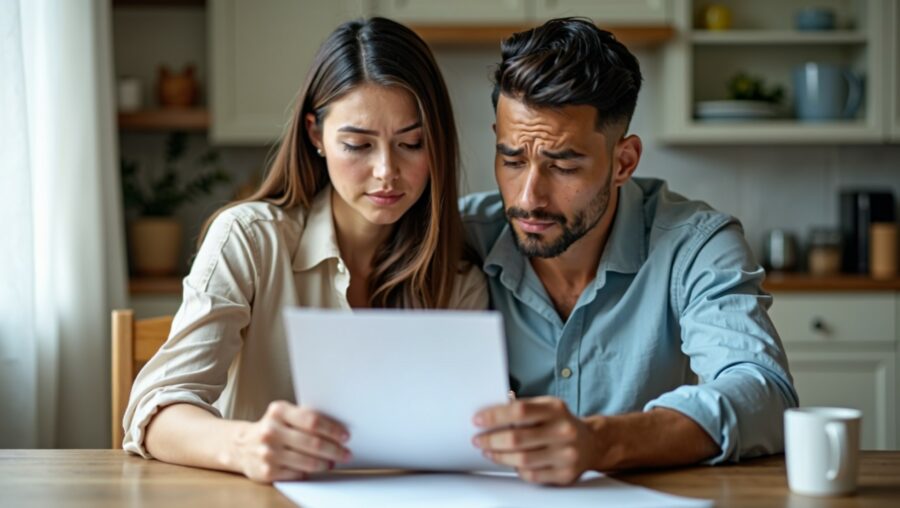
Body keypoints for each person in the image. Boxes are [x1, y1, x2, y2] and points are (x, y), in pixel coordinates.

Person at [122, 17, 487, 482]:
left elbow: (463, 434)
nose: (386, 171)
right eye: (357, 144)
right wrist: (246, 446)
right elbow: (155, 411)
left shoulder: (457, 282)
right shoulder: (250, 240)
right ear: (316, 134)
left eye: (411, 144)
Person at [461, 18, 798, 485]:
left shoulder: (695, 243)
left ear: (624, 162)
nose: (528, 197)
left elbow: (765, 391)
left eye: (563, 165)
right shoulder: (458, 237)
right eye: (512, 160)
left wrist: (600, 442)